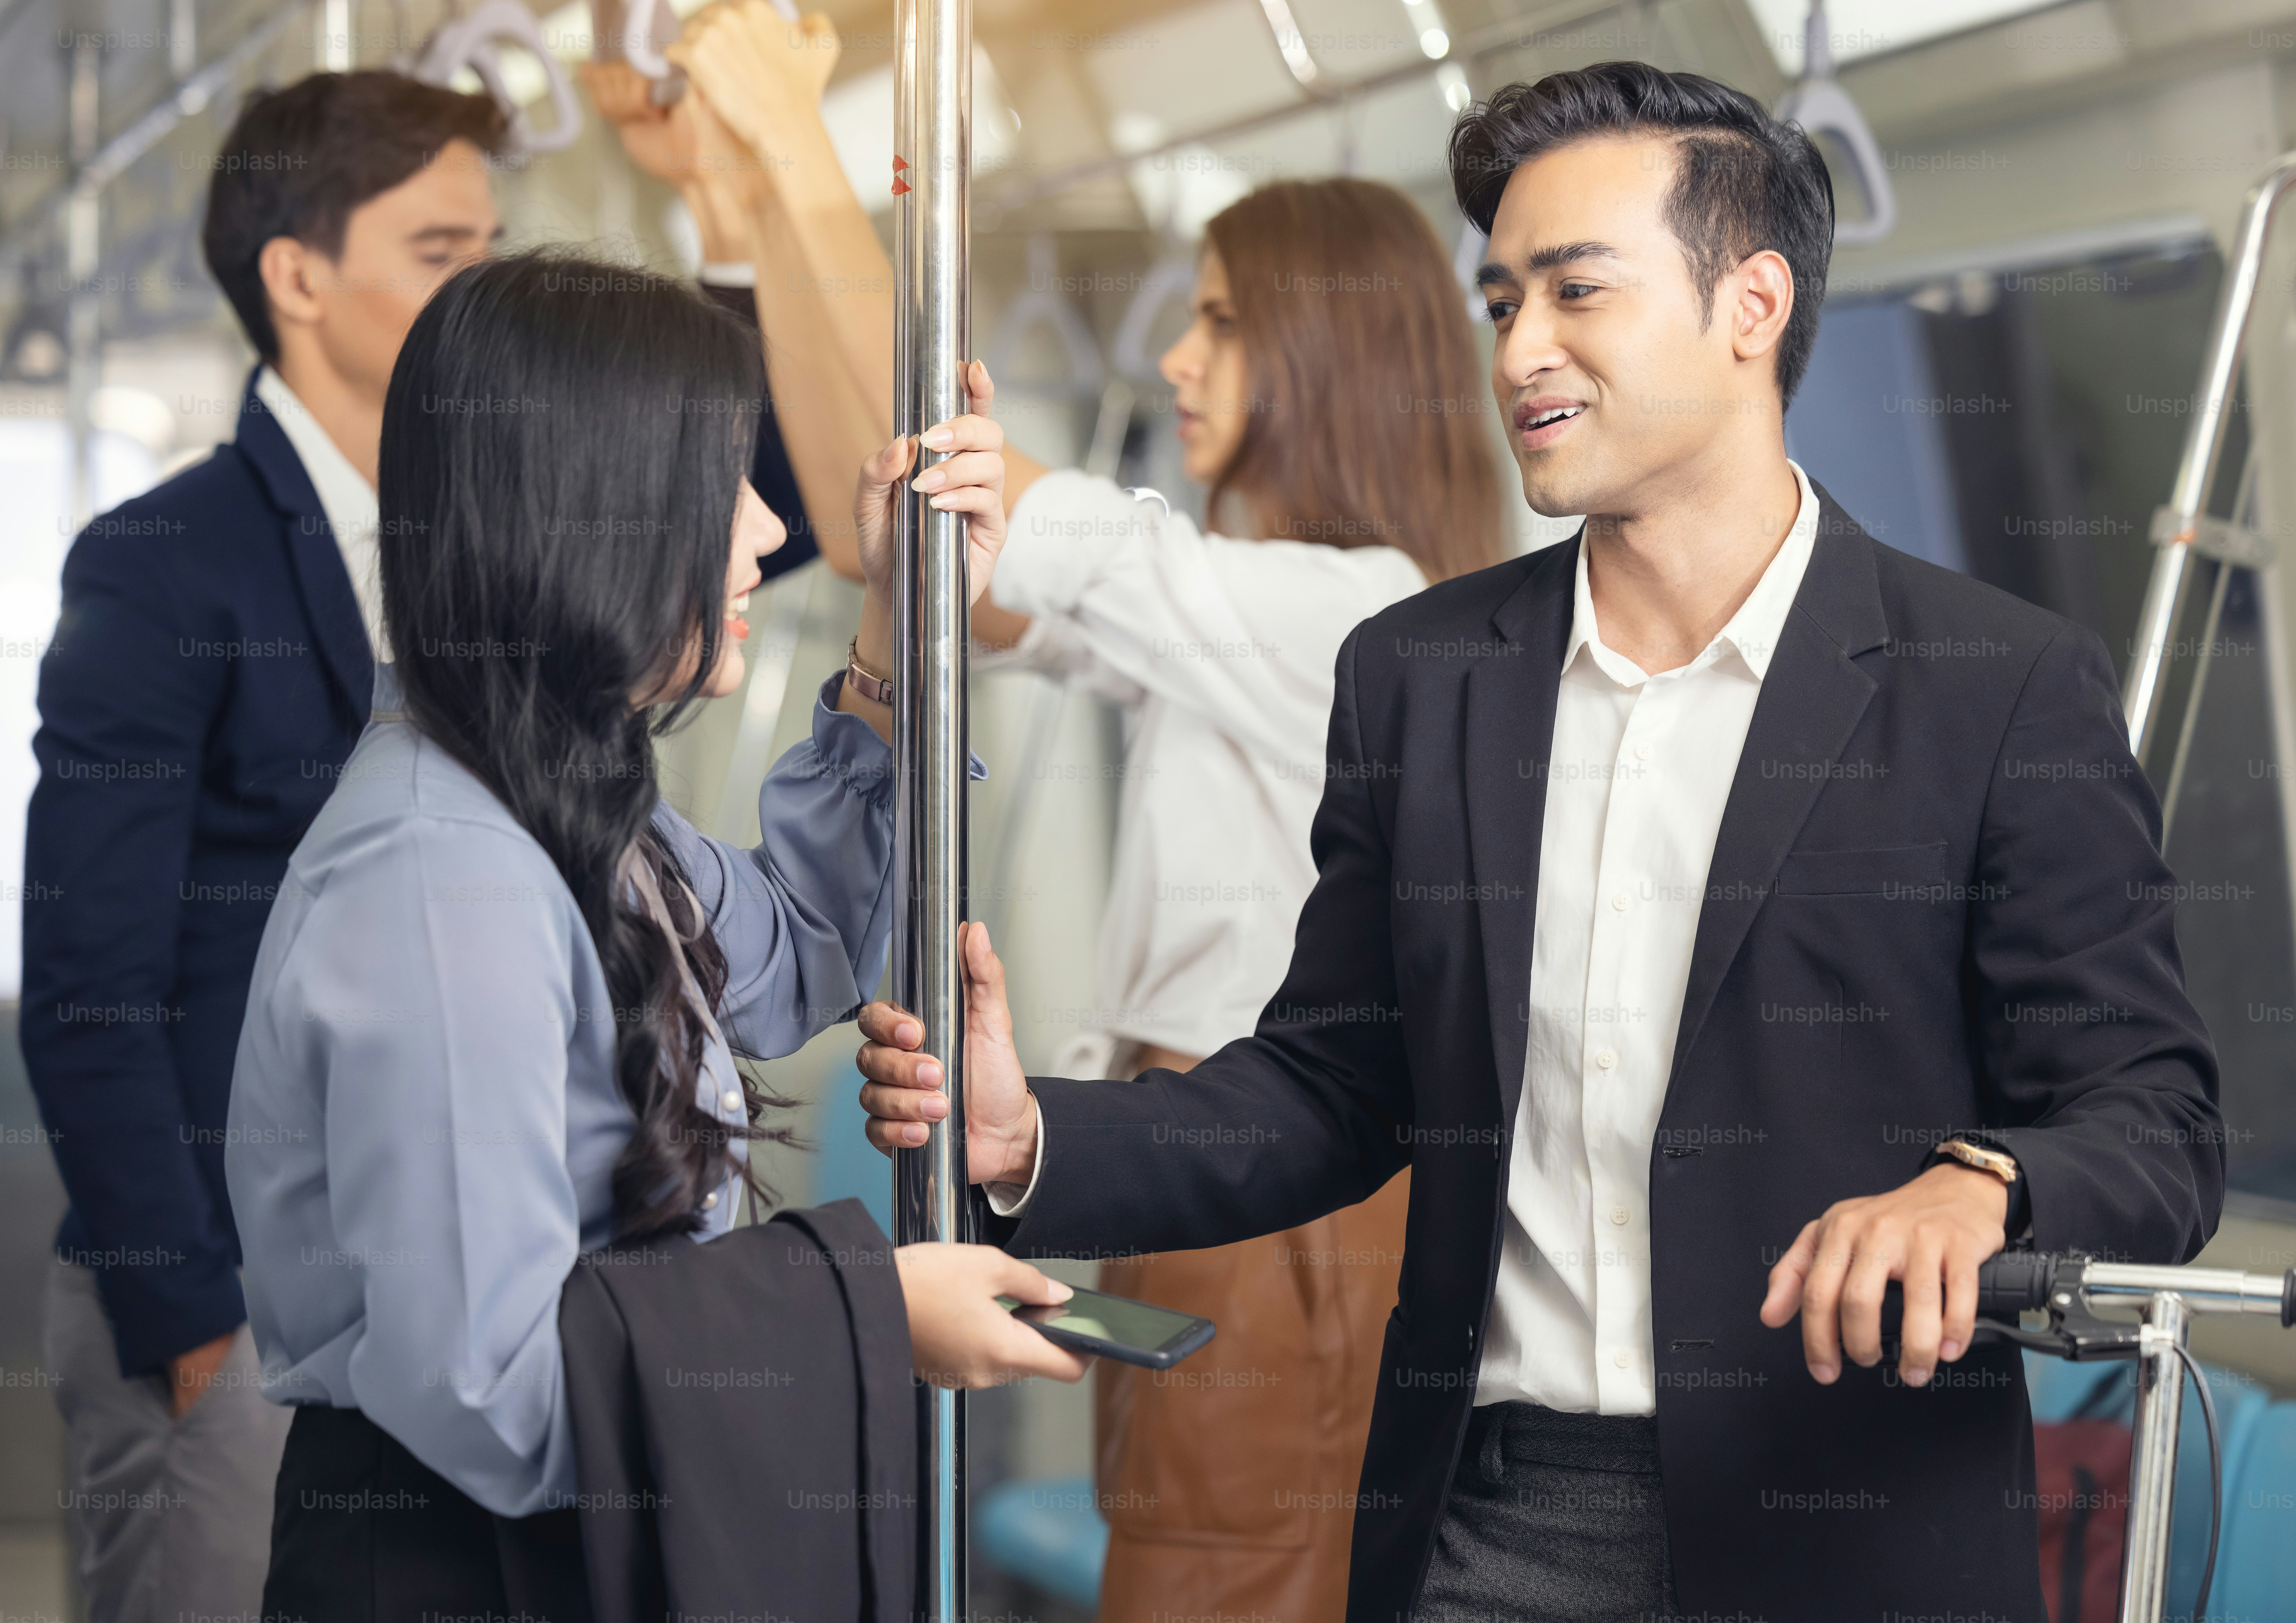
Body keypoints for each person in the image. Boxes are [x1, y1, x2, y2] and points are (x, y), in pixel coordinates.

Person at [857, 62, 2225, 1623]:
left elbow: (2153, 1120)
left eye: (1575, 292)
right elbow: (1335, 1083)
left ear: (1749, 304)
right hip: (1482, 1525)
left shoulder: (1993, 685)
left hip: (1842, 1523)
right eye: (1499, 300)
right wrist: (1032, 1140)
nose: (1519, 350)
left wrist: (1975, 1186)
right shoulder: (1422, 675)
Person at [664, 9, 1505, 1618]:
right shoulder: (1241, 628)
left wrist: (790, 134)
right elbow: (893, 536)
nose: (1175, 363)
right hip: (1197, 1187)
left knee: (1215, 1584)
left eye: (1216, 324)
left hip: (1286, 1218)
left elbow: (977, 488)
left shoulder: (1357, 610)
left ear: (1328, 356)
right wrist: (764, 183)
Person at [223, 249, 1088, 1618]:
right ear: (589, 512)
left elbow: (793, 945)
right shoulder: (447, 880)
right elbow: (494, 1391)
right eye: (719, 481)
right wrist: (868, 1311)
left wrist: (886, 616)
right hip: (461, 1562)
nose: (760, 528)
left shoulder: (560, 787)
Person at [21, 72, 509, 1622]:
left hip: (440, 1298)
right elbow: (91, 980)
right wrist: (190, 1320)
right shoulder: (168, 563)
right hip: (231, 1302)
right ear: (298, 279)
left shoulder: (480, 538)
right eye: (442, 251)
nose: (481, 289)